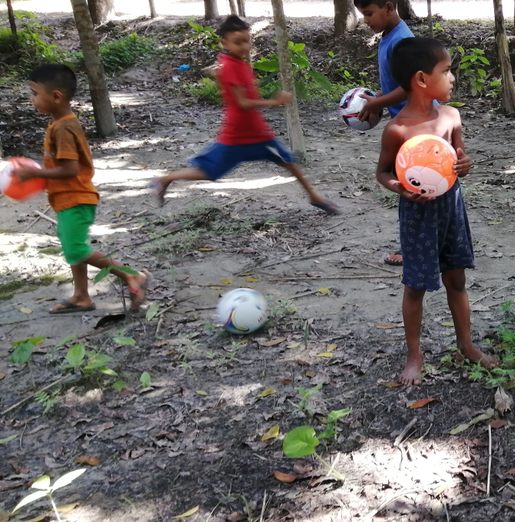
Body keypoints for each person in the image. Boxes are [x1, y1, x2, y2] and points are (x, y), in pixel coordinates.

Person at [374, 37, 499, 385]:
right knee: (415, 285)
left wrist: (465, 164)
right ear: (421, 79)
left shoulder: (451, 116)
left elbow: (459, 158)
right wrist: (399, 187)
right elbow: (382, 173)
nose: (452, 77)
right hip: (418, 214)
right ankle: (415, 356)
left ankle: (466, 345)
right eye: (446, 71)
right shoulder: (397, 129)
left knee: (456, 279)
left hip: (451, 207)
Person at [151, 15, 338, 215]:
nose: (244, 46)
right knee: (210, 172)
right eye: (238, 42)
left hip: (254, 130)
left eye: (247, 41)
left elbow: (243, 94)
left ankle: (314, 197)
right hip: (240, 134)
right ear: (224, 42)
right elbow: (243, 103)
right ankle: (166, 179)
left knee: (287, 160)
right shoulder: (230, 66)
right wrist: (275, 102)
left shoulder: (236, 63)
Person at [12, 64, 149, 314]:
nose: (32, 99)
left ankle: (131, 275)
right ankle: (81, 296)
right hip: (67, 199)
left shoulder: (64, 127)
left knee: (76, 248)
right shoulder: (59, 124)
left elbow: (70, 169)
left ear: (56, 96)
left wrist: (35, 173)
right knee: (72, 248)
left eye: (34, 93)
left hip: (76, 198)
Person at [355, 0, 413, 266]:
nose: (365, 20)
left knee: (411, 187)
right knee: (412, 187)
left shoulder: (401, 41)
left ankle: (412, 246)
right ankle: (417, 241)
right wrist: (378, 98)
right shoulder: (388, 37)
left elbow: (410, 87)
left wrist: (377, 103)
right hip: (406, 123)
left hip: (415, 126)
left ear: (389, 7)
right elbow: (395, 84)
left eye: (369, 13)